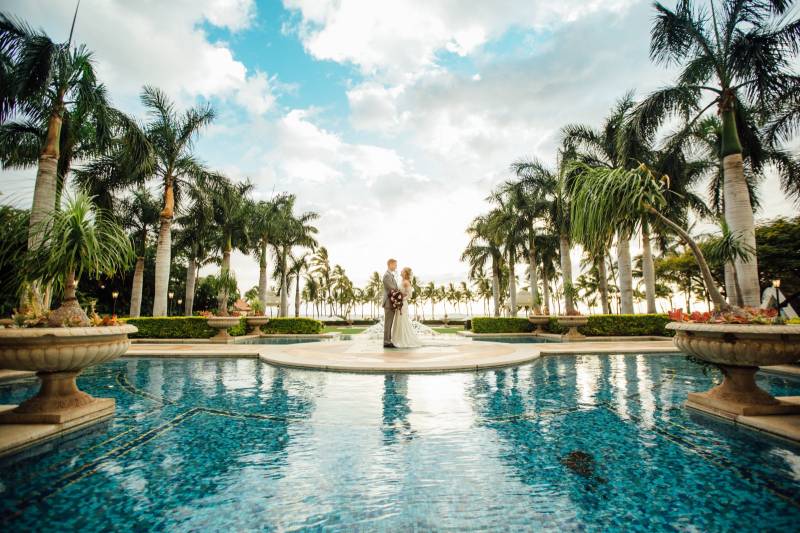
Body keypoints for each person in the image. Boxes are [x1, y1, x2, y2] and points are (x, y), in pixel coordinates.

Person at [391, 267, 422, 348]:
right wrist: (396, 298)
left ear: (405, 273)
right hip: (399, 304)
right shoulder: (402, 281)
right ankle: (396, 339)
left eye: (402, 271)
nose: (401, 272)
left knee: (402, 320)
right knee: (398, 320)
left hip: (403, 304)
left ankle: (402, 339)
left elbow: (410, 295)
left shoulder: (406, 282)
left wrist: (400, 299)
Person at [382, 258, 399, 348]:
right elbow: (392, 289)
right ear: (390, 264)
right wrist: (400, 294)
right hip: (388, 303)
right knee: (388, 323)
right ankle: (386, 342)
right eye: (395, 265)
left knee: (389, 323)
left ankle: (388, 340)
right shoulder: (387, 276)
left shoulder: (390, 275)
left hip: (391, 303)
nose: (396, 266)